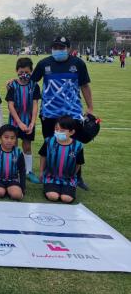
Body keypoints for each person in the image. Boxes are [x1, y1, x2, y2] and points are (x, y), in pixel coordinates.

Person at [29, 36, 94, 190]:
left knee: (74, 146)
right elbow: (31, 82)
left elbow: (85, 86)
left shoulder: (78, 63)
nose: (58, 50)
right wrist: (14, 80)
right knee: (50, 145)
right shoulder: (44, 63)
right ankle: (49, 175)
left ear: (68, 49)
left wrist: (90, 108)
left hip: (72, 113)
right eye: (56, 47)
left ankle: (77, 177)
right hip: (50, 113)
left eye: (62, 47)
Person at [6, 57, 41, 184]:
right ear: (16, 71)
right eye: (21, 72)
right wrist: (19, 122)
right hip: (14, 122)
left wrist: (32, 123)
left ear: (31, 71)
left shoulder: (34, 86)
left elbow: (35, 104)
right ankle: (13, 169)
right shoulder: (13, 85)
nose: (23, 74)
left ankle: (28, 171)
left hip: (28, 123)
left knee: (27, 146)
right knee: (12, 145)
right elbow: (10, 105)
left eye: (27, 72)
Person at [39, 116, 84, 203]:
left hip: (68, 178)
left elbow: (79, 163)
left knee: (66, 198)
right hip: (51, 176)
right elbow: (43, 156)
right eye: (56, 129)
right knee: (53, 196)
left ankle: (68, 188)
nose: (58, 132)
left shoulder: (78, 146)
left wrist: (72, 175)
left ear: (71, 132)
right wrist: (41, 172)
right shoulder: (49, 141)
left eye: (62, 131)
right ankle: (50, 187)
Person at [0, 125, 26, 200]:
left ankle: (10, 190)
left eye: (12, 138)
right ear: (0, 138)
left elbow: (22, 170)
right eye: (6, 137)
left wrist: (23, 186)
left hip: (13, 180)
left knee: (16, 195)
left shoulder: (18, 152)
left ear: (16, 139)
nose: (9, 140)